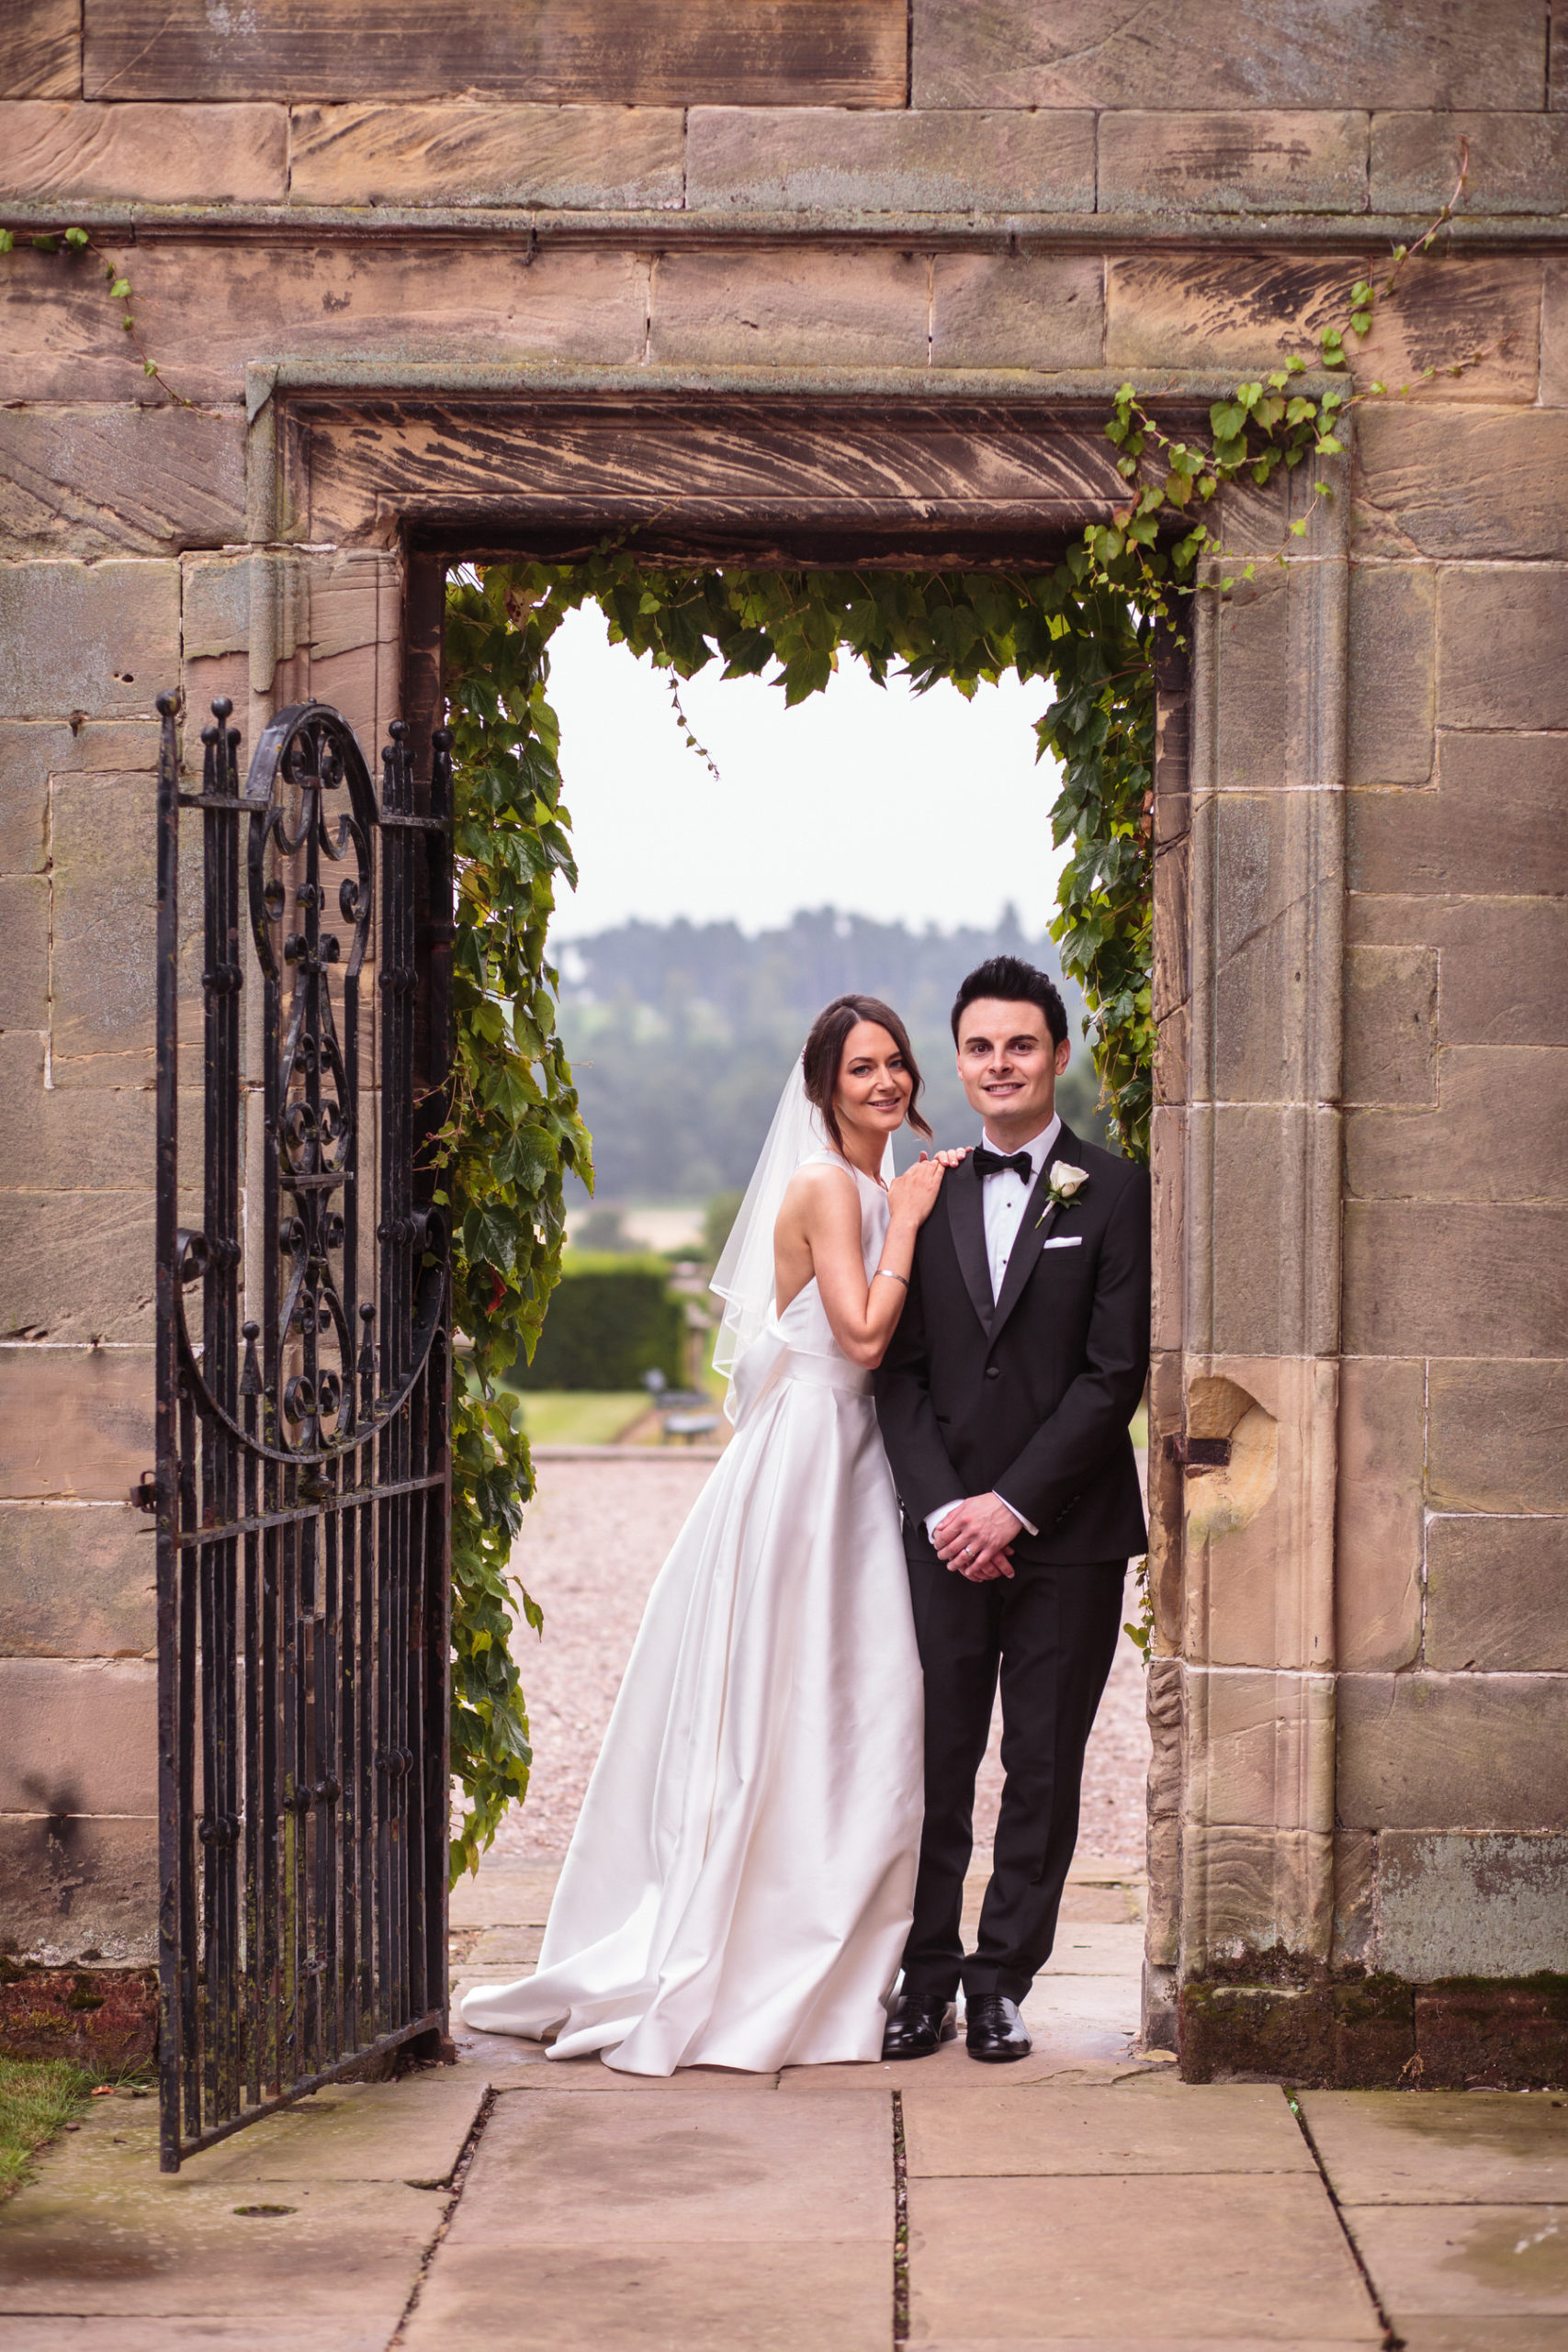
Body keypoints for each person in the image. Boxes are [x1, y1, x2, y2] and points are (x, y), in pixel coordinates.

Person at [460, 994, 962, 2075]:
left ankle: (836, 1940)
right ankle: (758, 1944)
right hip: (810, 1460)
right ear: (824, 1087)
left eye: (896, 1065)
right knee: (794, 1695)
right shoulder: (833, 1186)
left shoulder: (880, 1181)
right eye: (861, 1069)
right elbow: (864, 1337)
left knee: (862, 1699)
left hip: (861, 1460)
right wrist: (914, 1222)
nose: (885, 1083)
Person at [874, 956, 1150, 2064]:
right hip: (942, 1538)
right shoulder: (925, 1192)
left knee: (1043, 1762)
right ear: (960, 1060)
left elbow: (1111, 1373)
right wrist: (950, 1509)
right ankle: (922, 1979)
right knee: (936, 1759)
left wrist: (1013, 1507)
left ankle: (1000, 1981)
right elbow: (898, 1373)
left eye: (1021, 1044)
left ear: (1058, 1055)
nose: (1001, 1064)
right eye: (981, 1047)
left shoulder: (1117, 1191)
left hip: (1068, 1535)